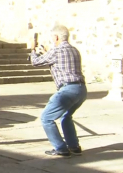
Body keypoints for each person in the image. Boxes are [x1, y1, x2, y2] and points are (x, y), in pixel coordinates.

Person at [30, 25, 87, 158]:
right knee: (66, 116)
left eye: (52, 38)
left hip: (67, 90)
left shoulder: (56, 51)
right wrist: (46, 53)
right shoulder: (74, 50)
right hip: (81, 89)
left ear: (56, 37)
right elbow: (62, 62)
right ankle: (74, 146)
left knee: (46, 118)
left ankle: (61, 148)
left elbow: (35, 62)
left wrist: (32, 48)